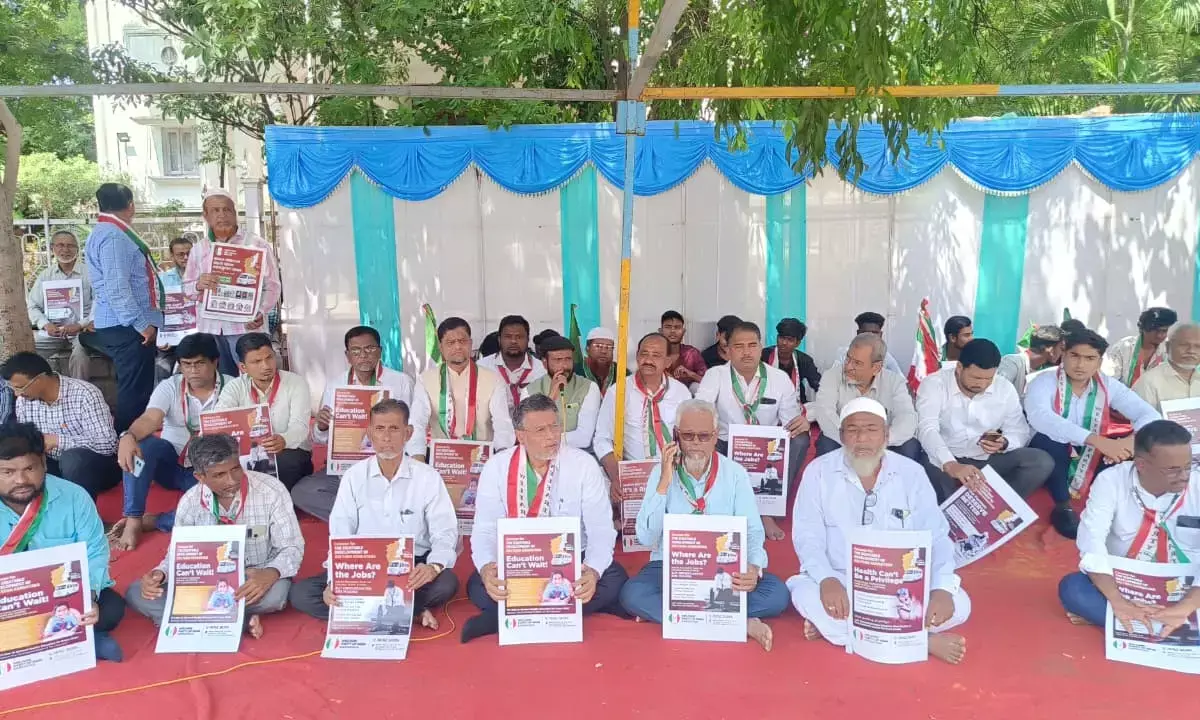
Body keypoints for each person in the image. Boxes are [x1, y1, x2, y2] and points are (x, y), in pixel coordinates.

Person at [788, 398, 971, 664]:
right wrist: (827, 580)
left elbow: (936, 537)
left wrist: (941, 589)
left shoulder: (912, 473)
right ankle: (921, 641)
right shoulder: (818, 472)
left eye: (871, 430)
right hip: (841, 580)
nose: (862, 438)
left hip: (900, 586)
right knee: (804, 595)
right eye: (853, 430)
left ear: (886, 435)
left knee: (960, 604)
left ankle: (843, 630)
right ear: (841, 436)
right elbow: (807, 536)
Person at [619, 398, 790, 650]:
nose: (696, 443)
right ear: (676, 435)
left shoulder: (735, 473)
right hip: (671, 567)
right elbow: (646, 538)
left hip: (724, 568)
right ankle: (737, 622)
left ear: (715, 436)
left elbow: (753, 530)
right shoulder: (661, 473)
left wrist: (753, 568)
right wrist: (664, 483)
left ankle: (677, 615)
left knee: (777, 594)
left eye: (704, 436)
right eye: (688, 436)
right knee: (632, 594)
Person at [462, 394, 628, 642]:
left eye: (555, 426)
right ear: (521, 436)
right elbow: (485, 529)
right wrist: (487, 569)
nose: (552, 436)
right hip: (519, 561)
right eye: (541, 430)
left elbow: (601, 530)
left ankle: (509, 615)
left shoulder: (583, 465)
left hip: (571, 560)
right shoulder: (497, 467)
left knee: (614, 577)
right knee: (479, 583)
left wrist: (592, 572)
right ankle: (563, 609)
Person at [290, 399, 459, 631]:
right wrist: (335, 580)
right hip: (364, 566)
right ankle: (412, 610)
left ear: (408, 433)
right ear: (370, 433)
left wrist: (433, 567)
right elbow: (340, 532)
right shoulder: (354, 476)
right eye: (379, 429)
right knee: (301, 594)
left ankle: (371, 608)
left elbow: (445, 531)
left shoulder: (427, 477)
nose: (386, 437)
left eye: (394, 429)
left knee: (446, 583)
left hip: (410, 566)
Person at [126, 434, 304, 639]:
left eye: (235, 469)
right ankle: (241, 620)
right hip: (206, 583)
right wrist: (161, 574)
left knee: (277, 595)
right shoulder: (190, 503)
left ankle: (195, 616)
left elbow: (292, 547)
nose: (232, 480)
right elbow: (179, 554)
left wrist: (271, 573)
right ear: (200, 477)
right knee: (137, 592)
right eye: (219, 475)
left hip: (255, 576)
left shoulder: (272, 491)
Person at [0, 423, 124, 661]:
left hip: (62, 596)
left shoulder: (74, 497)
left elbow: (95, 552)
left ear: (44, 464)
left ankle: (67, 636)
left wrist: (88, 598)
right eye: (8, 472)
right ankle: (83, 640)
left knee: (111, 608)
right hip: (9, 598)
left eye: (29, 468)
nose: (21, 480)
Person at [1059, 420, 1200, 628]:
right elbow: (1092, 543)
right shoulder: (1111, 481)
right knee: (1073, 588)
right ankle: (1170, 626)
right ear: (1142, 465)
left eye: (1189, 466)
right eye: (1173, 470)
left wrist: (1187, 606)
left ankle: (1135, 623)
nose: (1184, 477)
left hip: (1189, 586)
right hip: (1127, 583)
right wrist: (1118, 601)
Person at [1025, 330, 1161, 539]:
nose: (1080, 365)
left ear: (1099, 361)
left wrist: (1128, 443)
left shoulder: (1107, 384)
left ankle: (1111, 507)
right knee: (1052, 443)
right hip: (1050, 446)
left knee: (1134, 449)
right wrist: (1096, 440)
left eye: (1090, 358)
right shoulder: (1043, 381)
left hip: (1089, 448)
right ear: (1063, 354)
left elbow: (1149, 415)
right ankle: (1063, 507)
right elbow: (1041, 418)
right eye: (1074, 356)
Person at [292, 326, 432, 521]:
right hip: (347, 467)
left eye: (370, 349)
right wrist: (322, 427)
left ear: (380, 351)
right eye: (356, 351)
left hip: (389, 463)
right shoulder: (336, 385)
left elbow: (412, 428)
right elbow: (320, 439)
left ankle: (364, 512)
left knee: (414, 490)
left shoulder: (401, 382)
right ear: (348, 356)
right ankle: (368, 519)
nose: (364, 355)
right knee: (304, 492)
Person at [109, 334, 231, 550]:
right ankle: (134, 518)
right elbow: (150, 419)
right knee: (143, 446)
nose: (192, 371)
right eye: (186, 365)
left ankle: (157, 521)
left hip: (209, 471)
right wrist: (128, 436)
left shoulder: (232, 387)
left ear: (215, 362)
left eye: (199, 363)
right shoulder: (170, 386)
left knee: (222, 506)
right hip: (171, 464)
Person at [695, 322, 807, 541]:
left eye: (752, 345)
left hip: (767, 450)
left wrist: (801, 423)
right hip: (726, 445)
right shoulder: (715, 375)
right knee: (699, 435)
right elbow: (702, 410)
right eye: (739, 346)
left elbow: (790, 422)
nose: (746, 352)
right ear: (728, 349)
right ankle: (717, 506)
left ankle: (768, 511)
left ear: (761, 347)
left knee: (800, 439)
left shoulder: (779, 378)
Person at [917, 339, 1054, 503]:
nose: (982, 384)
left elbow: (1019, 431)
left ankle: (996, 506)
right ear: (959, 368)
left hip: (985, 458)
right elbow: (927, 429)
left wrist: (1004, 443)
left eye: (988, 379)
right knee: (934, 477)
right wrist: (950, 464)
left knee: (1041, 462)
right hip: (943, 456)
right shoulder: (934, 384)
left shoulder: (1004, 388)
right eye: (976, 377)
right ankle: (953, 510)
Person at [80, 183, 163, 433]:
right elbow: (117, 287)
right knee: (135, 392)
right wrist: (142, 325)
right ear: (131, 205)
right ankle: (127, 442)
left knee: (134, 387)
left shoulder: (105, 231)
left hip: (121, 323)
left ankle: (131, 441)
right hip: (127, 326)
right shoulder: (114, 236)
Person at [183, 189, 283, 378]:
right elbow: (187, 289)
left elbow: (272, 286)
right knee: (221, 382)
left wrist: (261, 311)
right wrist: (198, 284)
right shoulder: (199, 249)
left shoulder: (256, 245)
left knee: (254, 380)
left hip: (246, 328)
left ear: (235, 213)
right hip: (211, 329)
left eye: (226, 210)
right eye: (215, 210)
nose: (222, 215)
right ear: (206, 216)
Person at [0, 352, 120, 498]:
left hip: (95, 466)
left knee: (72, 459)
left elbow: (108, 444)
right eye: (14, 389)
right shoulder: (24, 401)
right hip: (52, 464)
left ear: (40, 379)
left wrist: (58, 441)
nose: (17, 394)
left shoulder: (85, 394)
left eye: (21, 387)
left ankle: (79, 509)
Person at [595, 333, 693, 490]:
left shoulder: (681, 392)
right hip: (633, 477)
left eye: (656, 355)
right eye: (644, 353)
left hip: (674, 474)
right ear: (637, 356)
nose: (648, 360)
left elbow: (690, 436)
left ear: (668, 362)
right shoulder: (619, 391)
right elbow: (602, 439)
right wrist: (616, 477)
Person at [216, 333, 313, 490]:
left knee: (286, 462)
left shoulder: (295, 383)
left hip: (288, 450)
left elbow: (300, 426)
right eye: (257, 362)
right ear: (243, 367)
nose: (266, 366)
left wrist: (284, 439)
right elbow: (220, 420)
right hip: (248, 452)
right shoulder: (234, 387)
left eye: (269, 358)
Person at [813, 333, 920, 460]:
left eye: (857, 363)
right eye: (848, 359)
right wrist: (853, 439)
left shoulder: (894, 382)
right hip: (844, 439)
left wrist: (882, 440)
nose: (848, 367)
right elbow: (824, 413)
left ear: (876, 368)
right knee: (826, 443)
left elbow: (906, 417)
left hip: (881, 443)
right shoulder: (832, 376)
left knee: (910, 446)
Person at [418, 317, 514, 449]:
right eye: (450, 342)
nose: (457, 347)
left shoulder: (493, 379)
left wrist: (502, 455)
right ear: (440, 347)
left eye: (462, 341)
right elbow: (417, 422)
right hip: (442, 456)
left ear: (471, 343)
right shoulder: (426, 380)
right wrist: (418, 456)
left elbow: (502, 423)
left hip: (483, 456)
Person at [27, 230, 92, 379]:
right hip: (53, 332)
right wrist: (45, 325)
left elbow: (100, 304)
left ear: (77, 249)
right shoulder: (45, 276)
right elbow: (33, 306)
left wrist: (80, 325)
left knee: (80, 356)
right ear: (52, 248)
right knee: (27, 351)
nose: (65, 249)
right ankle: (37, 388)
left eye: (70, 245)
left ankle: (79, 390)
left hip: (82, 332)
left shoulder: (89, 273)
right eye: (60, 245)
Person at [522, 335, 600, 450]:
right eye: (558, 360)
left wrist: (543, 439)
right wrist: (550, 399)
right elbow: (528, 433)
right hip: (540, 455)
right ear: (544, 363)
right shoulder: (529, 391)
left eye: (568, 359)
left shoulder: (588, 388)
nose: (564, 366)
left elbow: (584, 438)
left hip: (578, 454)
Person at [477, 315, 546, 411]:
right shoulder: (482, 367)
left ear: (528, 339)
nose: (513, 341)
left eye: (519, 337)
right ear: (499, 340)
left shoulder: (542, 370)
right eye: (508, 337)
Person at [1133, 323, 1200, 412]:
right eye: (1184, 345)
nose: (1191, 351)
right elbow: (1140, 418)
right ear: (1168, 347)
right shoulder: (1149, 382)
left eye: (1198, 346)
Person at [1103, 307, 1176, 388]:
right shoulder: (1123, 347)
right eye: (1155, 331)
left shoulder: (1170, 350)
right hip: (1124, 394)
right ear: (1143, 328)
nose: (1159, 335)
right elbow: (1110, 381)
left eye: (1164, 331)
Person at [762, 318, 821, 403]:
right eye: (781, 338)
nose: (784, 343)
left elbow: (818, 385)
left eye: (790, 340)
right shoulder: (763, 356)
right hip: (768, 404)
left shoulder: (805, 360)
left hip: (798, 404)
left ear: (797, 343)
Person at [998, 324, 1064, 397]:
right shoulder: (1012, 363)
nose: (1062, 353)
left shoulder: (1044, 373)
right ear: (1051, 350)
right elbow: (997, 395)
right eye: (1061, 348)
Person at [831, 312, 904, 375]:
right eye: (866, 333)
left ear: (880, 335)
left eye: (874, 333)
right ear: (858, 333)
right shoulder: (844, 354)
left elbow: (901, 382)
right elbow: (833, 379)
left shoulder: (885, 357)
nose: (870, 337)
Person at [659, 310, 707, 386]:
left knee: (695, 386)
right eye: (668, 327)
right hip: (660, 392)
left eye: (677, 327)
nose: (672, 331)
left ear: (683, 331)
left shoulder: (691, 353)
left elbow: (708, 382)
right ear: (661, 331)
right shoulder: (654, 353)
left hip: (687, 392)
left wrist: (691, 374)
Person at [578, 327, 622, 396]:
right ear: (587, 348)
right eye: (598, 346)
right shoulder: (576, 372)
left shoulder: (622, 373)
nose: (604, 351)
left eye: (608, 347)